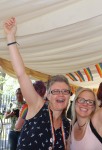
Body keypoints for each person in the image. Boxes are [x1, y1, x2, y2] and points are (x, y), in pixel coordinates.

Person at [4, 17, 71, 150]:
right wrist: (11, 37)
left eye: (65, 91)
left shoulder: (66, 125)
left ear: (69, 96)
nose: (61, 95)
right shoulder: (38, 107)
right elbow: (21, 74)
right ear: (48, 95)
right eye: (56, 91)